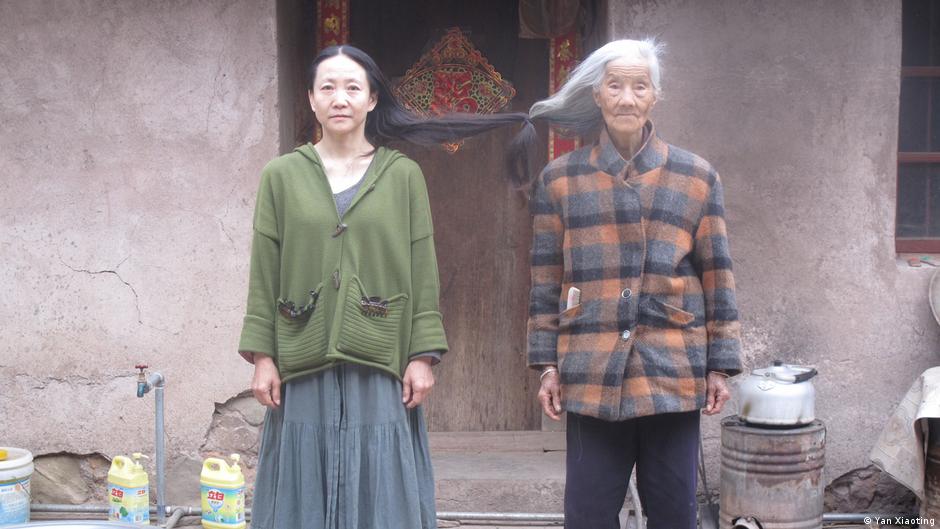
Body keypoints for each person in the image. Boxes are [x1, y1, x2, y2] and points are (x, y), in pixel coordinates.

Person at [236, 45, 528, 529]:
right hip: (301, 351)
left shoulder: (402, 176)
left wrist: (422, 355)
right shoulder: (281, 176)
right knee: (302, 471)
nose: (340, 98)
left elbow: (421, 268)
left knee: (382, 475)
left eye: (353, 87)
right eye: (327, 87)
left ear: (372, 99)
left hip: (381, 351)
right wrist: (263, 356)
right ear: (311, 99)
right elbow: (264, 269)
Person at [524, 39, 743, 529]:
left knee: (673, 512)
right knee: (586, 515)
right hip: (590, 367)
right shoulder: (560, 179)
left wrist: (720, 366)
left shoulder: (696, 177)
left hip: (672, 366)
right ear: (597, 95)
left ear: (654, 96)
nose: (626, 98)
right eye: (615, 86)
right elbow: (545, 280)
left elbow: (718, 275)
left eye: (638, 86)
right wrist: (546, 365)